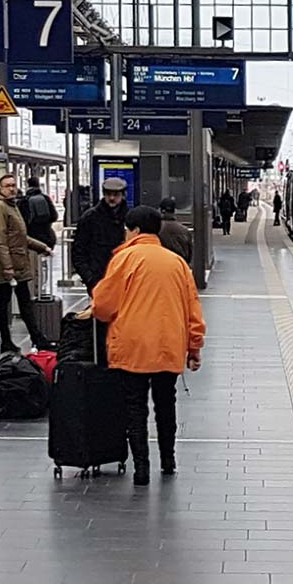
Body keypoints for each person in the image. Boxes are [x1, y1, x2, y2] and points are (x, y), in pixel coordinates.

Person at [91, 205, 204, 485]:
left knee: (135, 406)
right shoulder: (177, 263)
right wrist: (194, 347)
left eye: (127, 229)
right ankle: (168, 460)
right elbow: (192, 308)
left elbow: (103, 306)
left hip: (132, 345)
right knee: (166, 403)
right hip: (168, 344)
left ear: (136, 230)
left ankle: (141, 468)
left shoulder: (124, 259)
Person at [0, 175, 45, 352]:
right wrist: (7, 267)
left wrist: (41, 247)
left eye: (13, 185)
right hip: (8, 264)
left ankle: (35, 338)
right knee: (7, 300)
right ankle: (11, 340)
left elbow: (20, 237)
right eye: (7, 186)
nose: (11, 188)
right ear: (0, 188)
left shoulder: (12, 205)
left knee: (21, 300)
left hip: (17, 262)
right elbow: (0, 240)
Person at [72, 177, 128, 293]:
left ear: (123, 195)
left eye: (116, 194)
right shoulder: (90, 218)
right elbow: (78, 251)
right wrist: (90, 278)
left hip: (123, 279)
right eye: (108, 194)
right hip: (98, 278)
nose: (112, 198)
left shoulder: (130, 217)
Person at [21, 176, 58, 249]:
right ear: (38, 185)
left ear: (28, 185)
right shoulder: (45, 198)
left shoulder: (25, 200)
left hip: (32, 238)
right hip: (47, 236)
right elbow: (54, 216)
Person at [157, 198, 194, 268]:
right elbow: (190, 254)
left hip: (161, 266)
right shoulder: (184, 230)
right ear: (174, 211)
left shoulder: (156, 229)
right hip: (180, 266)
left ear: (161, 211)